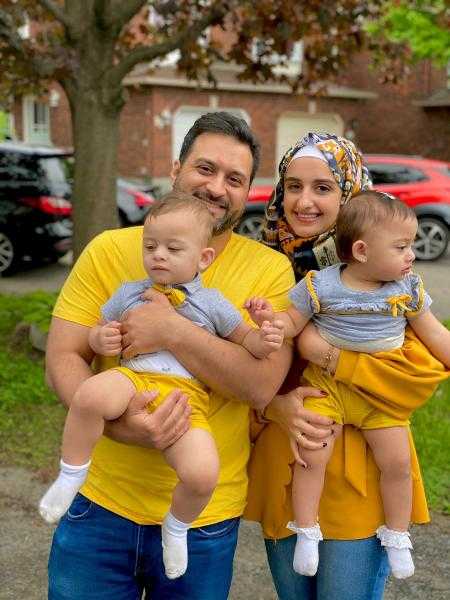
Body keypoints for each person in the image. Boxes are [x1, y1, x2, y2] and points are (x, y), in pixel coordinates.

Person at [44, 111, 300, 599]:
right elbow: (63, 356)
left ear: (248, 192)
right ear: (176, 168)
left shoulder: (269, 271)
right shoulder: (110, 249)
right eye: (205, 168)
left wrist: (171, 330)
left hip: (204, 518)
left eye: (234, 179)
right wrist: (119, 425)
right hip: (99, 505)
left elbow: (259, 385)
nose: (217, 187)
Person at [244, 132, 449, 600]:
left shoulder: (391, 280)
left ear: (351, 195)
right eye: (292, 186)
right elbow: (236, 371)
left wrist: (330, 356)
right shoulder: (263, 268)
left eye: (323, 187)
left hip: (363, 464)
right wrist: (275, 405)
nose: (304, 201)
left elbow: (414, 377)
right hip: (288, 457)